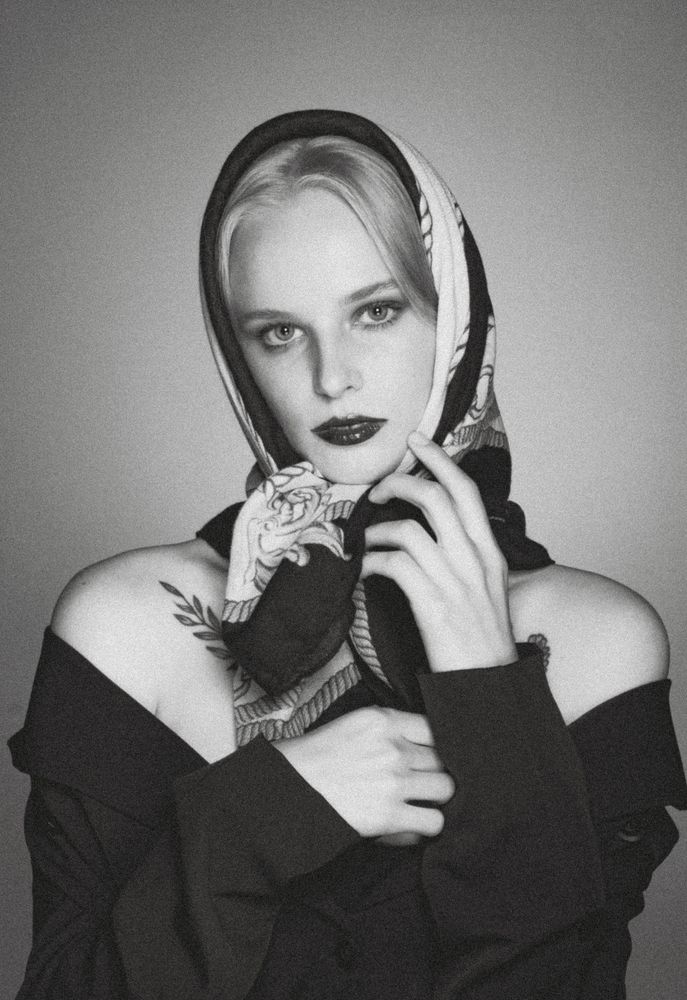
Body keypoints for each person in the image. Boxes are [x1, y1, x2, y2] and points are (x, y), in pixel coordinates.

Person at [9, 109, 687, 1000]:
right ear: (238, 354)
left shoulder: (600, 642)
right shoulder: (126, 625)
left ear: (455, 317)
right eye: (279, 332)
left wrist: (491, 697)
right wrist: (263, 814)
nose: (332, 378)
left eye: (375, 311)